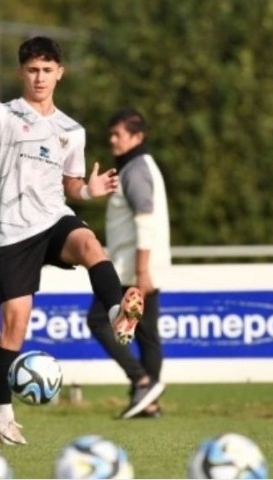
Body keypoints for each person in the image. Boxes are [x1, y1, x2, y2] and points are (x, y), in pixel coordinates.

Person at [0, 36, 144, 446]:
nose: (39, 77)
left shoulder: (71, 130)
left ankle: (117, 314)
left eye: (46, 70)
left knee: (92, 246)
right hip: (13, 232)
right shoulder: (3, 115)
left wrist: (90, 192)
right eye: (32, 70)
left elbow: (72, 187)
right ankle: (2, 417)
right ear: (21, 73)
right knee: (14, 328)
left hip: (54, 218)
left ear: (59, 73)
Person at [86, 108, 171, 420]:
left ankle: (141, 380)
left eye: (117, 134)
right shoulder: (139, 165)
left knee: (98, 320)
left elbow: (145, 222)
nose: (112, 140)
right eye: (110, 134)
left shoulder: (135, 169)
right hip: (139, 266)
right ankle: (149, 404)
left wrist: (141, 271)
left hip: (131, 269)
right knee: (147, 334)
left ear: (138, 137)